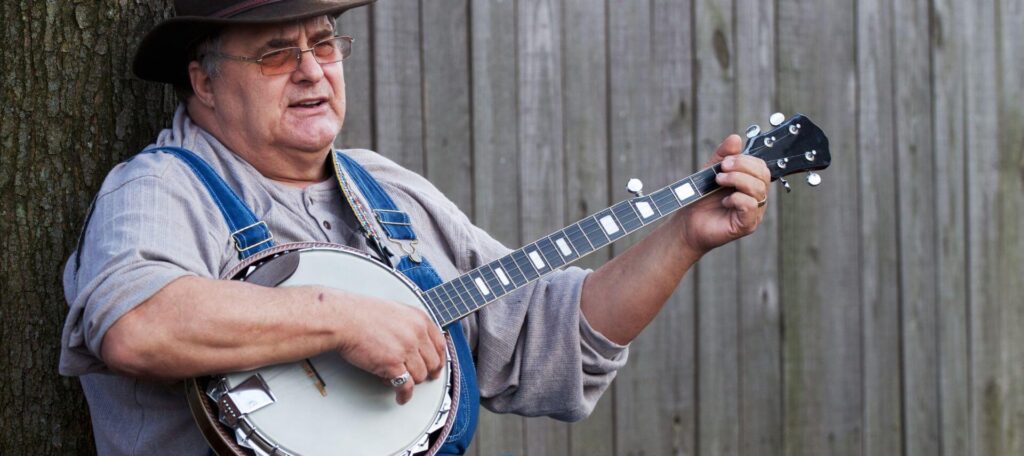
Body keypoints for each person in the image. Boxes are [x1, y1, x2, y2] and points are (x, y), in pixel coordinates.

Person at [59, 0, 772, 454]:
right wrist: (342, 320)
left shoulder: (386, 189)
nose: (311, 71)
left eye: (324, 44)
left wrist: (683, 237)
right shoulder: (163, 187)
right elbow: (135, 323)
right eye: (276, 52)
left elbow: (549, 334)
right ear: (205, 82)